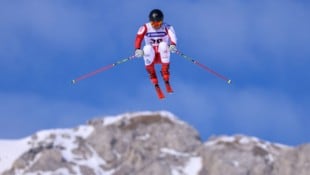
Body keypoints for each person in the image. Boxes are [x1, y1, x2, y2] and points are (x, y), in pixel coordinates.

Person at [134, 9, 177, 98]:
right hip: (151, 55)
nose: (156, 26)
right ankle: (153, 77)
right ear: (150, 22)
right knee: (147, 48)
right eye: (153, 24)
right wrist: (137, 49)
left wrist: (173, 45)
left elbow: (173, 36)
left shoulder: (167, 27)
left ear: (162, 21)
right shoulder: (145, 27)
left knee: (163, 45)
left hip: (162, 54)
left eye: (158, 23)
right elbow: (138, 38)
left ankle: (165, 74)